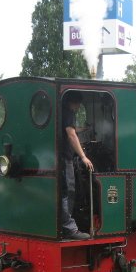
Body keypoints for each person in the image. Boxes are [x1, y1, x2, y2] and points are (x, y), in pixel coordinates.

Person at [61, 91, 93, 240]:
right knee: (68, 191)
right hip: (64, 159)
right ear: (73, 102)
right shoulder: (68, 112)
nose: (79, 107)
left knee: (64, 192)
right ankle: (69, 228)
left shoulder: (61, 112)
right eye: (78, 104)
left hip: (58, 159)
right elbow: (71, 134)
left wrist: (83, 129)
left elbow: (72, 129)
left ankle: (64, 225)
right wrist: (83, 156)